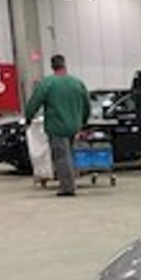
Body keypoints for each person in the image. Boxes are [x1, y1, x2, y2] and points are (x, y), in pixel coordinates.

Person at [24, 54, 90, 197]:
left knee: (61, 157)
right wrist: (83, 122)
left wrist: (28, 118)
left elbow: (34, 103)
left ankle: (67, 187)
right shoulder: (77, 83)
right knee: (69, 155)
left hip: (57, 126)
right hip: (74, 126)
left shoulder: (47, 83)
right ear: (64, 65)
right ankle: (71, 181)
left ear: (52, 66)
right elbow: (87, 105)